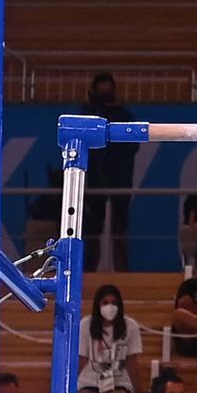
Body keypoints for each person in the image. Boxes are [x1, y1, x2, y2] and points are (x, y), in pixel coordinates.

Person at [83, 72, 138, 272]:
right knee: (92, 231)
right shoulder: (87, 115)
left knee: (119, 229)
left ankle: (123, 273)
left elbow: (134, 146)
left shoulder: (125, 115)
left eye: (109, 91)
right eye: (101, 92)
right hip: (95, 180)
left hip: (120, 179)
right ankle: (88, 272)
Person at [78, 283, 144, 393]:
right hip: (91, 380)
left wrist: (138, 389)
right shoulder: (85, 325)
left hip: (119, 382)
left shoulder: (130, 326)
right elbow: (81, 359)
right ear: (98, 305)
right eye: (105, 302)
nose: (110, 306)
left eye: (114, 303)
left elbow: (132, 361)